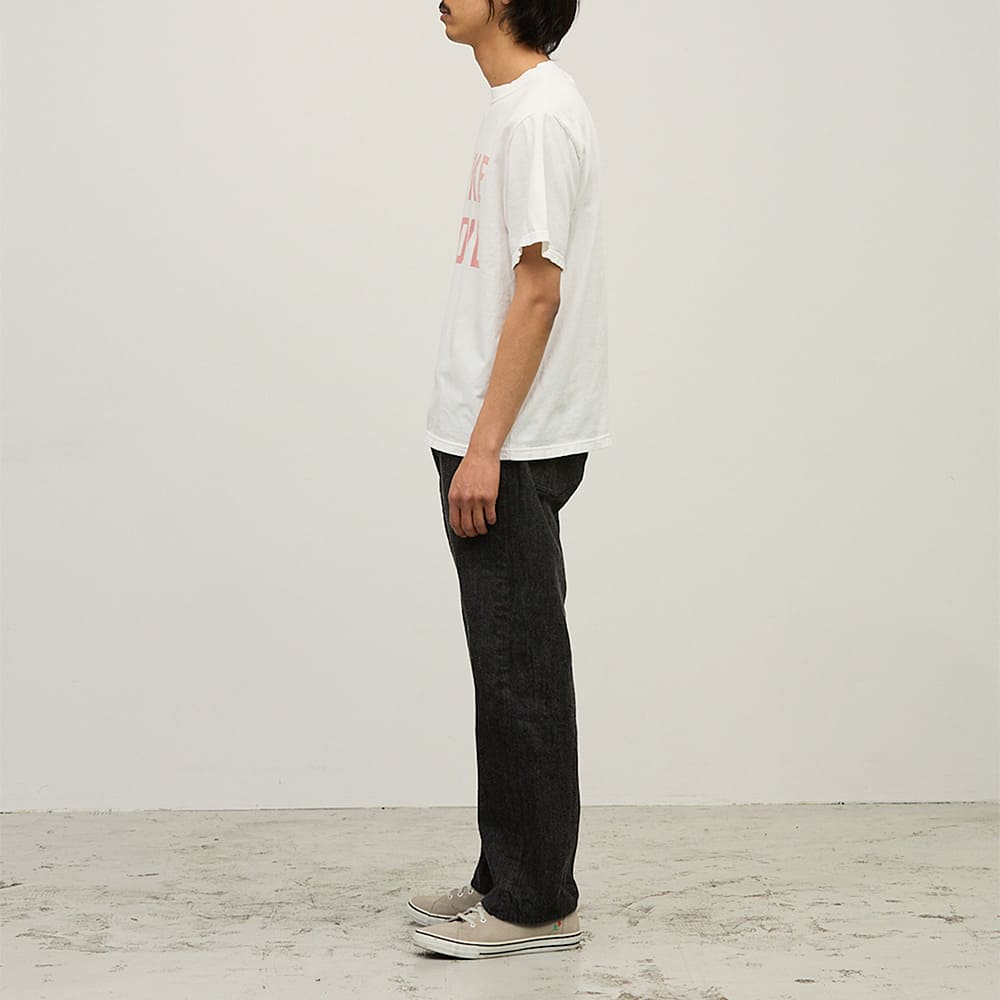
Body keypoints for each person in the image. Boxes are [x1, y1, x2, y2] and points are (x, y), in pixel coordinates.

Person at [412, 0, 611, 959]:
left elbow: (539, 290)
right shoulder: (516, 106)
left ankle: (536, 904)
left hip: (511, 443)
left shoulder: (536, 115)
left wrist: (484, 447)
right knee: (504, 666)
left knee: (521, 669)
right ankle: (508, 872)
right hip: (492, 432)